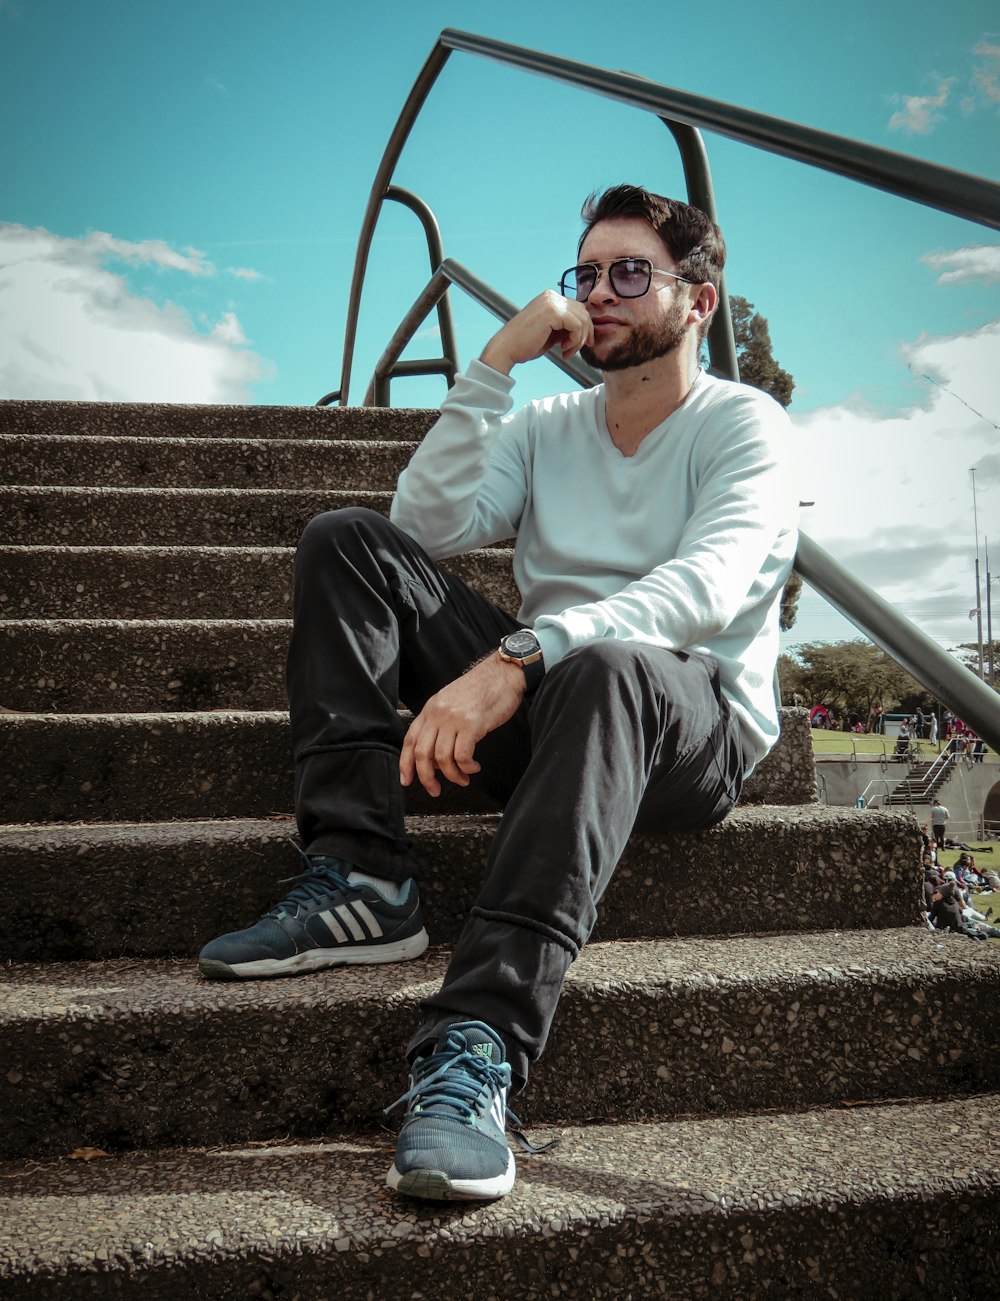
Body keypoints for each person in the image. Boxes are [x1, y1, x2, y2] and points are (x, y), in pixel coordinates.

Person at [197, 185, 797, 1201]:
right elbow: (424, 528)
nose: (598, 293)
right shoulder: (548, 423)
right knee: (348, 541)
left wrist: (515, 658)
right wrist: (491, 368)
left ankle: (477, 1045)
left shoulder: (743, 426)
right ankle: (361, 877)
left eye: (629, 273)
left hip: (685, 730)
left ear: (697, 303)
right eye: (587, 273)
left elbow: (702, 592)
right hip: (550, 712)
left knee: (613, 666)